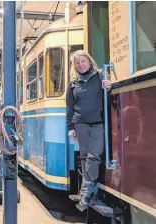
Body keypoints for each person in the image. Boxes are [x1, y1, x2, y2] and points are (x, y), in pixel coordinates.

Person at [66, 50, 111, 208]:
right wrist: (70, 128)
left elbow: (109, 88)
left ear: (90, 62)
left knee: (94, 156)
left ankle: (86, 191)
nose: (80, 65)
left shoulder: (100, 75)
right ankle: (89, 192)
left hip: (98, 122)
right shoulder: (73, 82)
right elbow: (70, 108)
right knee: (85, 157)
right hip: (80, 123)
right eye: (77, 63)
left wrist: (108, 85)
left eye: (83, 61)